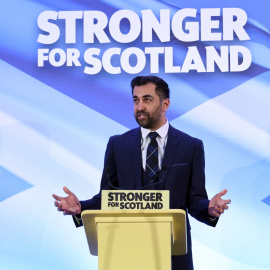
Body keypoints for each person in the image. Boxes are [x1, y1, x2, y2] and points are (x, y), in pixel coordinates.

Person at [53, 75, 231, 270]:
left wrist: (210, 209)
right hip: (127, 248)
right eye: (135, 100)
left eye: (147, 99)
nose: (140, 107)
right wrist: (81, 209)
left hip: (174, 252)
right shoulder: (117, 145)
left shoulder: (191, 146)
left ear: (165, 104)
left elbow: (194, 199)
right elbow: (108, 198)